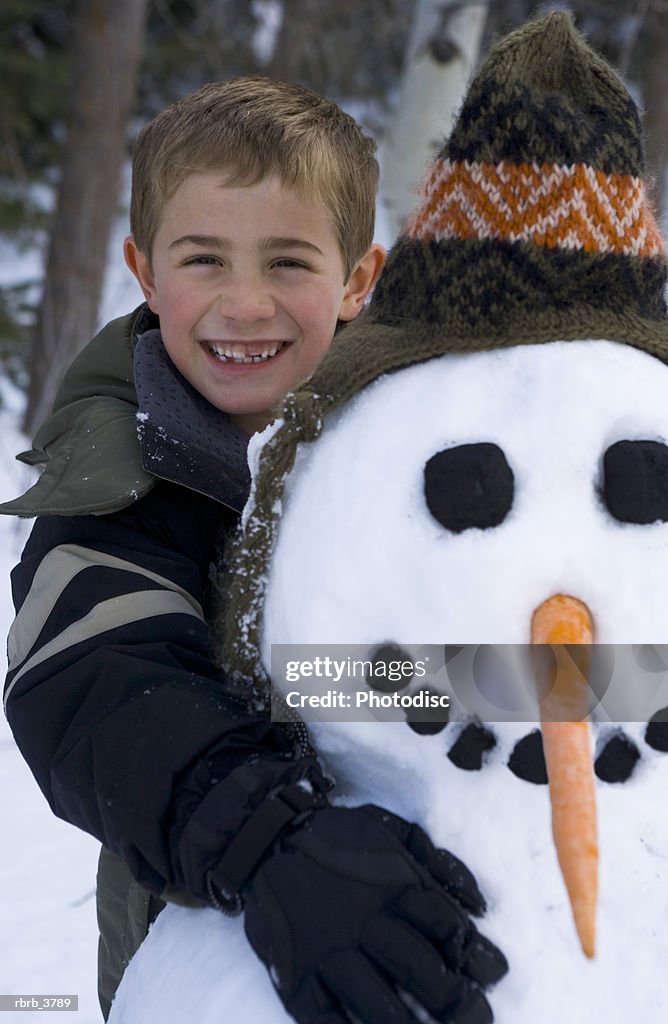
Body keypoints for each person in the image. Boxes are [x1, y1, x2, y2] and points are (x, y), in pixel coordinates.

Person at [2, 77, 506, 1024]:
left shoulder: (424, 435)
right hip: (215, 927)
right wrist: (269, 842)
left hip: (455, 898)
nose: (244, 304)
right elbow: (93, 681)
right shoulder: (122, 471)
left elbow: (562, 647)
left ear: (358, 278)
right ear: (144, 271)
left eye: (287, 262)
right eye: (203, 260)